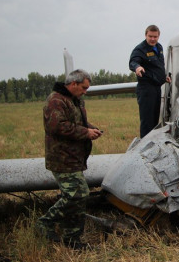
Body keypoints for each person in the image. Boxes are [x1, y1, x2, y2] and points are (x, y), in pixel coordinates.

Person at [37, 69, 103, 249]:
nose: (85, 92)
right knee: (78, 194)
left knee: (77, 196)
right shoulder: (56, 100)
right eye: (83, 88)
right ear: (73, 84)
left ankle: (72, 238)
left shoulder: (74, 100)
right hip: (62, 157)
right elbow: (57, 126)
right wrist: (85, 132)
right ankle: (46, 222)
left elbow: (77, 122)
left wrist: (91, 129)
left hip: (74, 157)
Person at [129, 25, 171, 138]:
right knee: (147, 122)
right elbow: (133, 62)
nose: (153, 39)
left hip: (157, 88)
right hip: (146, 89)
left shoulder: (159, 47)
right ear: (145, 35)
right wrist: (137, 67)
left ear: (158, 36)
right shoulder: (140, 49)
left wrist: (164, 77)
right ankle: (144, 148)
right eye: (150, 36)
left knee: (155, 120)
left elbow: (158, 66)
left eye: (155, 37)